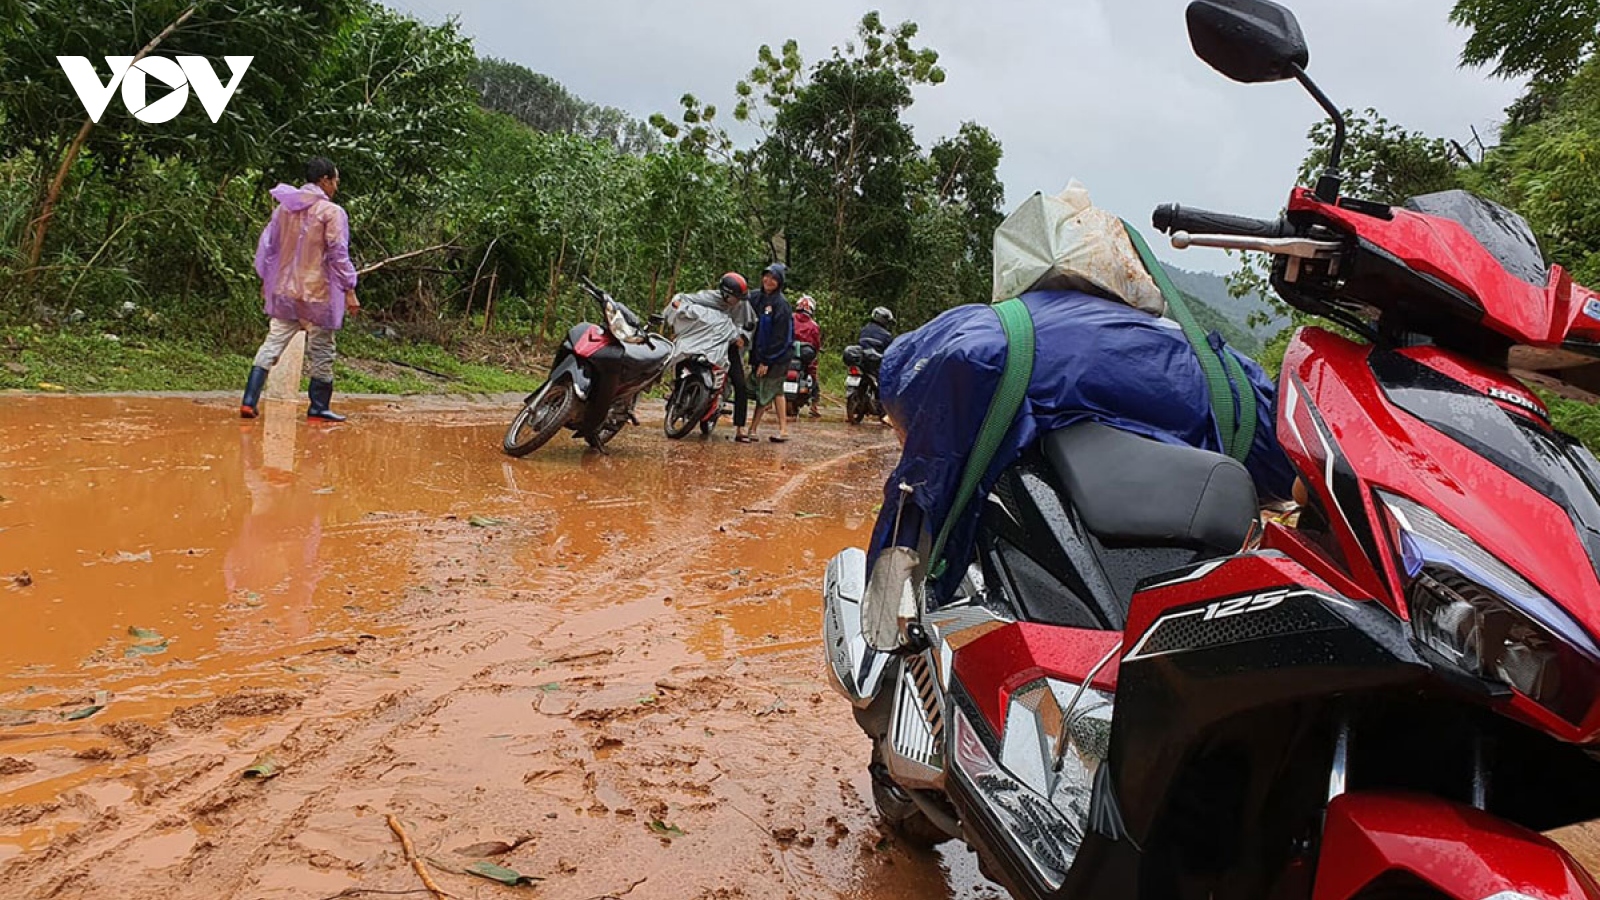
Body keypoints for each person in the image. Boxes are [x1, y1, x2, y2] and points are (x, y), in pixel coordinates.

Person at [239, 157, 360, 422]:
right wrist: (350, 288)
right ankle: (318, 406)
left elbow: (269, 249)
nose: (336, 186)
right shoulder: (331, 213)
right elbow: (338, 253)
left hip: (285, 289)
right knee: (322, 348)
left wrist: (267, 283)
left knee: (273, 341)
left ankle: (249, 399)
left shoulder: (285, 209)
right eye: (335, 180)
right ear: (325, 180)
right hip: (318, 291)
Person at [746, 263, 794, 443]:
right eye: (766, 276)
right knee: (776, 390)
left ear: (779, 282)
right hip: (760, 353)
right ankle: (783, 429)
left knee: (765, 389)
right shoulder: (756, 297)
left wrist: (766, 361)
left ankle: (752, 429)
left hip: (777, 356)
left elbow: (780, 338)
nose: (769, 280)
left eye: (774, 278)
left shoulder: (781, 305)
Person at [793, 295, 822, 418]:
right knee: (813, 374)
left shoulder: (790, 319)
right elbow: (816, 345)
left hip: (786, 354)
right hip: (805, 358)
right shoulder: (813, 325)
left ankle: (768, 403)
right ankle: (814, 405)